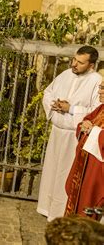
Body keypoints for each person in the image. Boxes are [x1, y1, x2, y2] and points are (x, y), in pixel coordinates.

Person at [37, 46, 101, 222]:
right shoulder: (65, 74)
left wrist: (71, 109)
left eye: (80, 62)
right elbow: (48, 92)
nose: (74, 64)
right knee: (52, 170)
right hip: (57, 132)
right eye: (74, 60)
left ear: (91, 65)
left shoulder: (96, 81)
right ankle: (46, 206)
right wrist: (55, 104)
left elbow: (96, 111)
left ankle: (59, 212)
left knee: (64, 174)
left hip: (73, 136)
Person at [64, 77, 104, 222]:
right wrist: (84, 125)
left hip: (97, 173)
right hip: (85, 168)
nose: (99, 91)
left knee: (89, 204)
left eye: (103, 88)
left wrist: (93, 131)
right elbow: (85, 122)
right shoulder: (101, 108)